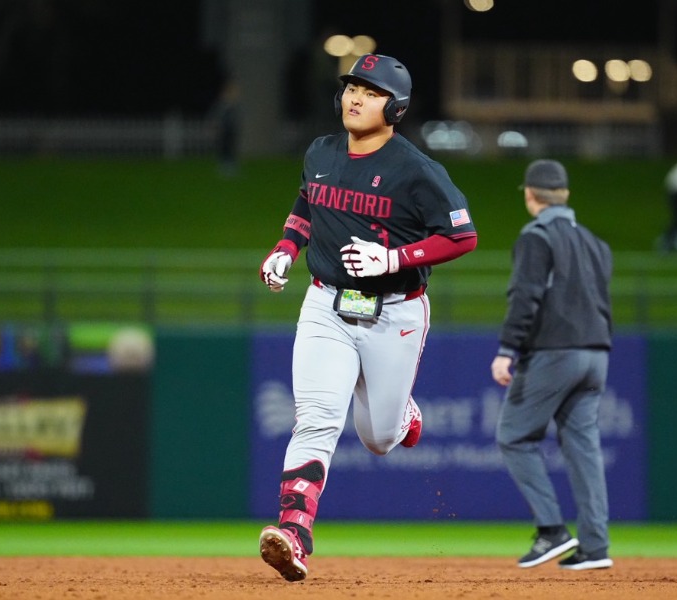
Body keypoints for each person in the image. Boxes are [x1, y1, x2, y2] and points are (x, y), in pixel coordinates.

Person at [257, 53, 478, 582]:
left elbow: (462, 236)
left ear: (395, 107)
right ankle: (294, 532)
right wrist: (287, 247)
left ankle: (403, 413)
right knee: (315, 420)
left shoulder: (417, 169)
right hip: (325, 304)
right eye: (353, 86)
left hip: (394, 311)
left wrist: (394, 258)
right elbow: (307, 204)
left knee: (379, 437)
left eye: (371, 91)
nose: (356, 97)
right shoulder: (320, 151)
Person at [490, 159, 614, 571]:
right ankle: (595, 547)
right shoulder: (595, 242)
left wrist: (508, 348)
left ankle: (551, 530)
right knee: (584, 446)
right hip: (596, 354)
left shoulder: (537, 236)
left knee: (513, 436)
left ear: (530, 194)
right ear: (565, 195)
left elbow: (524, 296)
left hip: (555, 353)